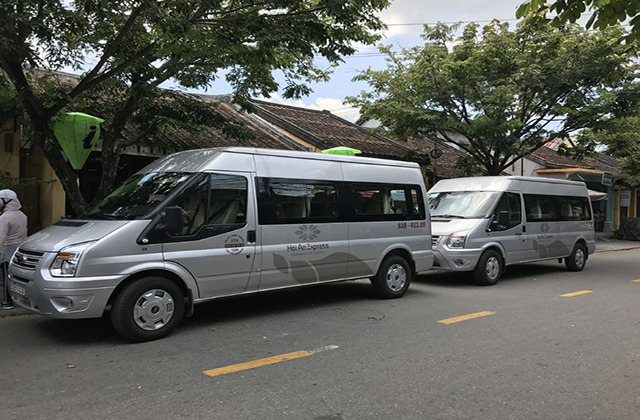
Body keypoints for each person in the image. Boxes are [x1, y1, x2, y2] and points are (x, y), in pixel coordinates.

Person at [0, 189, 27, 309]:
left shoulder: (5, 218)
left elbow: (1, 237)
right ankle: (19, 299)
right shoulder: (22, 215)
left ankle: (7, 302)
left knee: (6, 276)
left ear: (6, 201)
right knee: (15, 277)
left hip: (7, 250)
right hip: (19, 250)